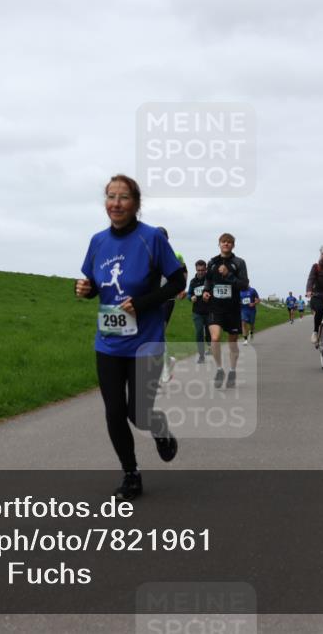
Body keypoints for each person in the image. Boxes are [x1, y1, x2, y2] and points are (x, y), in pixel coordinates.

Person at [76, 175, 182, 500]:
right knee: (113, 411)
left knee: (138, 414)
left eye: (123, 197)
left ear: (135, 203)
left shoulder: (151, 238)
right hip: (108, 341)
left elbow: (177, 281)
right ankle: (131, 474)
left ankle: (159, 428)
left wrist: (143, 303)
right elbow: (96, 285)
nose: (116, 203)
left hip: (145, 342)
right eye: (111, 196)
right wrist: (84, 289)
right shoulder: (97, 241)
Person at [202, 234, 249, 388]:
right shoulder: (212, 262)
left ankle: (233, 371)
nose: (226, 244)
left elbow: (244, 285)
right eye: (224, 242)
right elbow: (208, 280)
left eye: (229, 242)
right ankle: (219, 369)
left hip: (232, 308)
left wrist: (228, 275)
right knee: (215, 338)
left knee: (232, 343)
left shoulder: (239, 263)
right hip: (215, 307)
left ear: (233, 245)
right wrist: (206, 291)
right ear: (219, 244)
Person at [155, 227, 187, 384]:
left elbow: (183, 272)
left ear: (167, 239)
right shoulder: (148, 254)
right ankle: (168, 361)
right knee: (154, 334)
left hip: (167, 298)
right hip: (151, 299)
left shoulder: (175, 255)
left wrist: (181, 289)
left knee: (159, 332)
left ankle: (165, 370)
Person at [187, 259, 212, 363]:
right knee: (199, 332)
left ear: (206, 269)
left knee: (209, 332)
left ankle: (210, 347)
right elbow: (189, 294)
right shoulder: (193, 282)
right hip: (197, 312)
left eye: (202, 270)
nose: (200, 272)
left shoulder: (210, 280)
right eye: (198, 270)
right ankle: (201, 356)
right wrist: (191, 297)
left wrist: (210, 295)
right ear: (196, 270)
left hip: (209, 311)